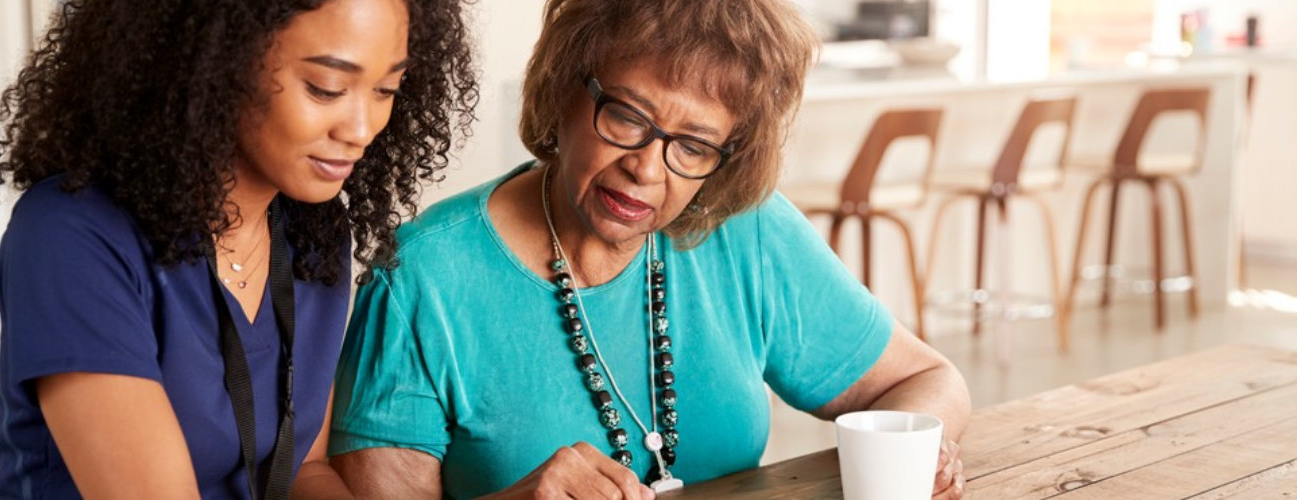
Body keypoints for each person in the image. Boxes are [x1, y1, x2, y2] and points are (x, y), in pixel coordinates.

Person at [328, 1, 969, 499]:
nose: (648, 169)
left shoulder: (745, 231)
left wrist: (914, 453)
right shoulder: (422, 280)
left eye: (693, 145)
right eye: (629, 118)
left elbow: (926, 379)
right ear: (563, 91)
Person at [0, 0, 476, 497]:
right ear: (214, 61)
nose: (361, 129)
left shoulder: (314, 232)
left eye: (386, 89)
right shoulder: (70, 238)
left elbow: (303, 469)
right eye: (326, 89)